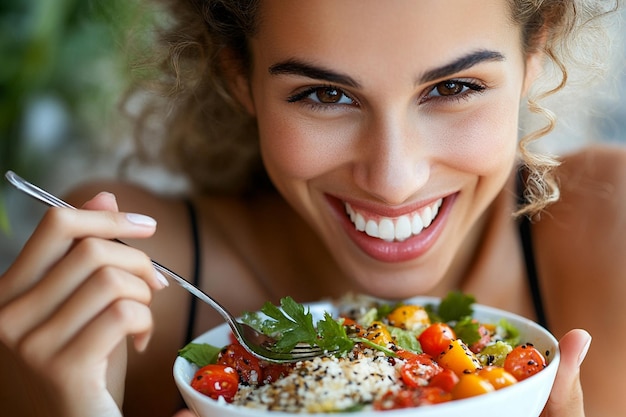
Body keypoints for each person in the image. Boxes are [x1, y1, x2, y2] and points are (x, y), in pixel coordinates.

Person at [1, 0, 624, 416]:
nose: (392, 180)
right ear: (239, 78)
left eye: (453, 88)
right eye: (324, 94)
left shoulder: (611, 229)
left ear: (532, 56)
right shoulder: (127, 284)